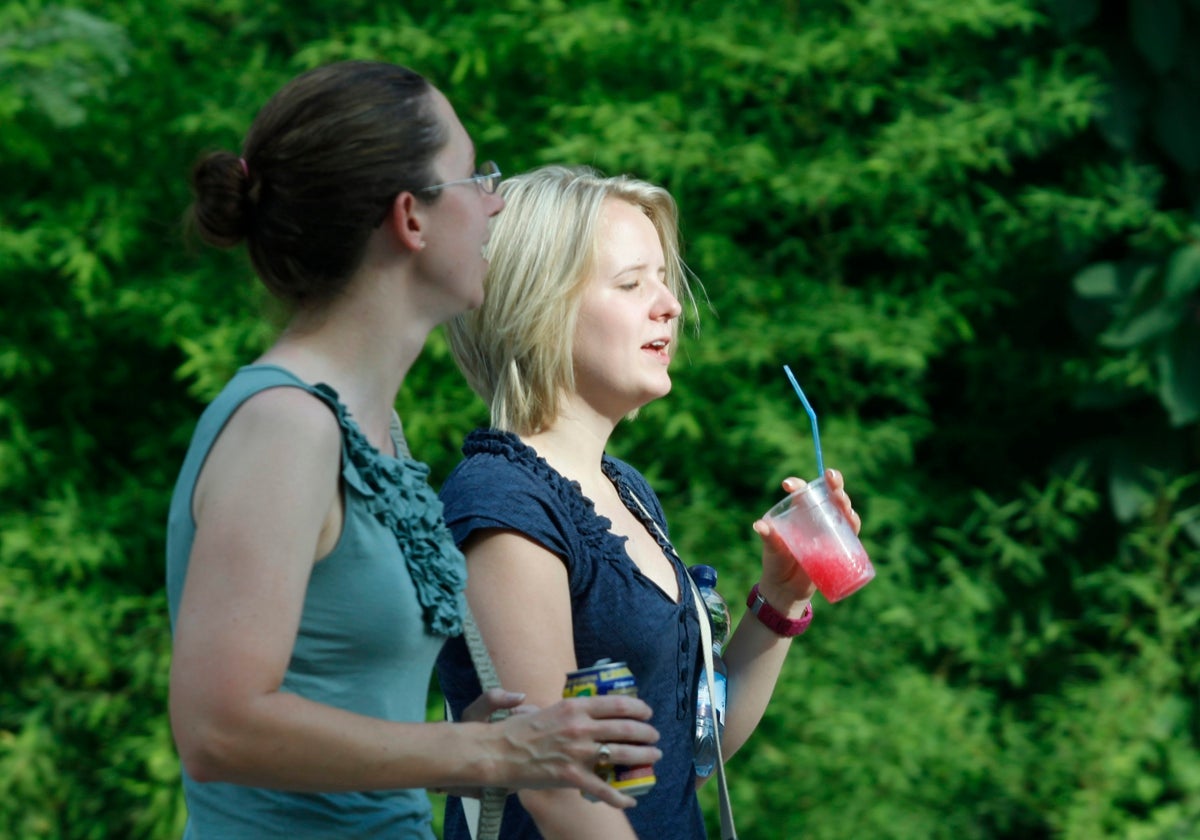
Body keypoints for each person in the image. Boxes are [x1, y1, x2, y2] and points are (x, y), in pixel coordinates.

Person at [166, 64, 661, 839]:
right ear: (412, 218)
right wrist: (484, 751)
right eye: (472, 177)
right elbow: (218, 729)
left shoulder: (375, 429)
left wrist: (485, 743)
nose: (495, 201)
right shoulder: (287, 427)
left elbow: (342, 710)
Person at [435, 165, 862, 839]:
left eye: (663, 280)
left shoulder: (624, 492)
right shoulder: (505, 508)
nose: (669, 305)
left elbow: (683, 756)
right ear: (538, 305)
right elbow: (566, 796)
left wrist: (781, 600)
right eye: (632, 283)